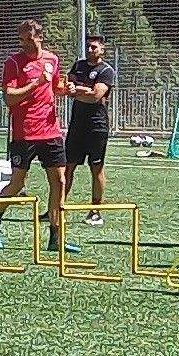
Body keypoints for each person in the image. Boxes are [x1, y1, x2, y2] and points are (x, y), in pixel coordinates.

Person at [0, 20, 66, 252]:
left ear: (39, 37)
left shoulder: (52, 59)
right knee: (17, 182)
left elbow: (54, 87)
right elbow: (9, 98)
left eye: (28, 38)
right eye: (21, 39)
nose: (24, 43)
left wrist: (66, 90)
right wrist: (35, 83)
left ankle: (55, 236)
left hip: (51, 131)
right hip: (25, 131)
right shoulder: (13, 62)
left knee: (59, 182)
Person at [62, 34, 117, 222]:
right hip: (77, 124)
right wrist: (82, 90)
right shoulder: (78, 66)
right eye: (88, 47)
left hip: (97, 126)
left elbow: (96, 96)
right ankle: (58, 207)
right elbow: (66, 86)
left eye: (94, 47)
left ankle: (95, 211)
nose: (90, 50)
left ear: (102, 50)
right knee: (67, 167)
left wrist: (78, 91)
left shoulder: (107, 71)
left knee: (96, 168)